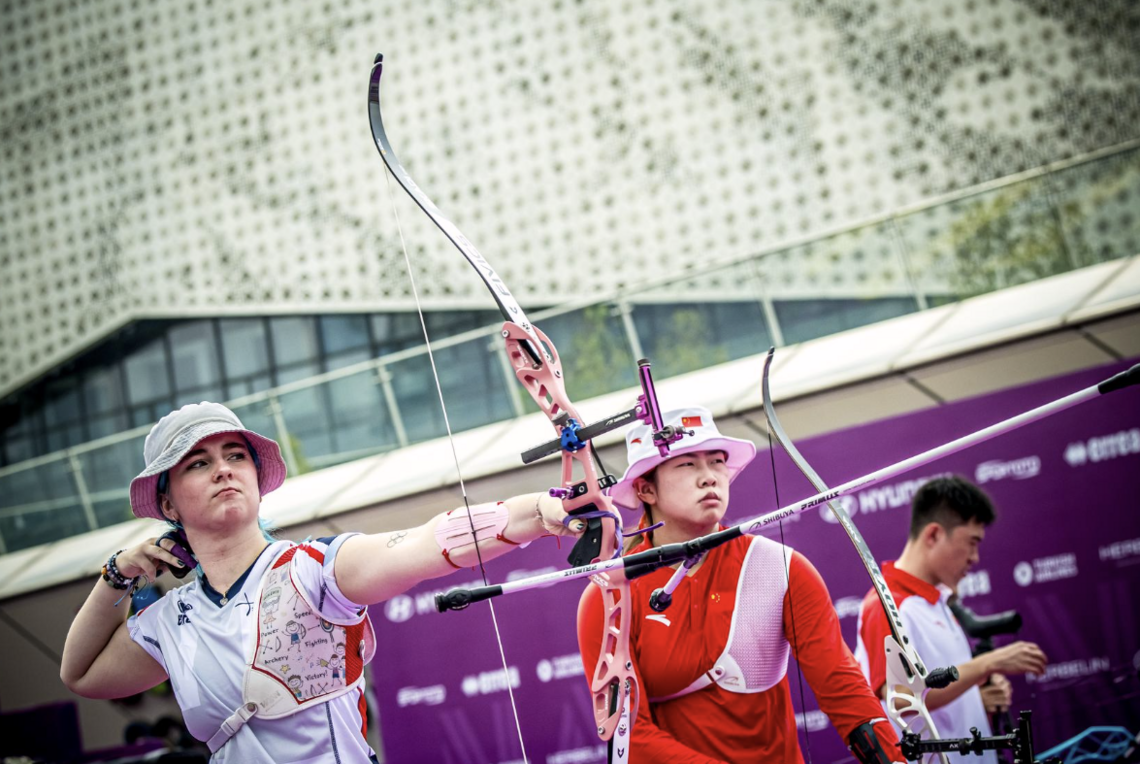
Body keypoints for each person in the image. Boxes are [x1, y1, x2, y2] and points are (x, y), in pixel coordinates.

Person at [61, 401, 581, 763]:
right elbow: (81, 674)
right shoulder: (174, 619)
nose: (224, 470)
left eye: (235, 456)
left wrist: (539, 510)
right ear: (169, 504)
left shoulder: (313, 568)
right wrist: (115, 576)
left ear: (257, 481)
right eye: (199, 463)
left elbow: (426, 544)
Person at [577, 407, 904, 764]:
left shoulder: (780, 567)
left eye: (717, 462)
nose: (710, 477)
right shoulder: (609, 596)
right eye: (687, 464)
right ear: (645, 489)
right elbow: (629, 738)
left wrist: (894, 759)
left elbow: (842, 687)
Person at [854, 476, 1048, 763]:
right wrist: (989, 663)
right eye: (972, 543)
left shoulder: (937, 602)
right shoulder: (888, 605)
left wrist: (977, 696)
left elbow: (936, 696)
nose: (975, 558)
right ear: (933, 535)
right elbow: (903, 701)